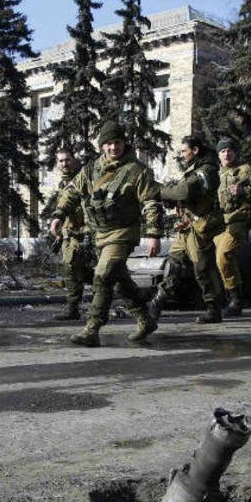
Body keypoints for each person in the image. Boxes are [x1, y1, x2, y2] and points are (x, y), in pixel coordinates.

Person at [50, 121, 161, 347]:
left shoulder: (137, 171)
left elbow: (151, 202)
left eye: (117, 143)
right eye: (108, 144)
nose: (113, 148)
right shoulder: (91, 169)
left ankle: (92, 329)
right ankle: (144, 318)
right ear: (102, 146)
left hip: (123, 233)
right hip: (101, 234)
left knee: (102, 275)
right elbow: (72, 191)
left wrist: (154, 234)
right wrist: (59, 214)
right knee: (119, 280)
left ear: (124, 143)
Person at [146, 134, 225, 324]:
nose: (181, 155)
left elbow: (184, 191)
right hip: (187, 226)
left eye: (184, 151)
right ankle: (158, 301)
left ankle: (213, 309)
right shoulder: (195, 169)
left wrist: (160, 192)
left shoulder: (206, 170)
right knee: (174, 262)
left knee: (202, 268)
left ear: (195, 150)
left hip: (200, 227)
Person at [214, 138, 251, 316]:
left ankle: (236, 300)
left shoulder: (245, 170)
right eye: (222, 151)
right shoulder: (216, 174)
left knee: (224, 255)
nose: (226, 154)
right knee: (212, 260)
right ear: (218, 155)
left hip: (239, 221)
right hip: (219, 223)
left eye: (229, 150)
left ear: (235, 152)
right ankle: (221, 299)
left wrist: (245, 191)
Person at [47, 148, 91, 321]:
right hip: (68, 233)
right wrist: (60, 232)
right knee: (76, 270)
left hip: (80, 233)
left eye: (67, 160)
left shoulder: (80, 179)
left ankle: (73, 308)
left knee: (72, 268)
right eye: (61, 161)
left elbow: (85, 208)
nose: (64, 164)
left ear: (74, 160)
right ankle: (110, 287)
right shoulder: (63, 183)